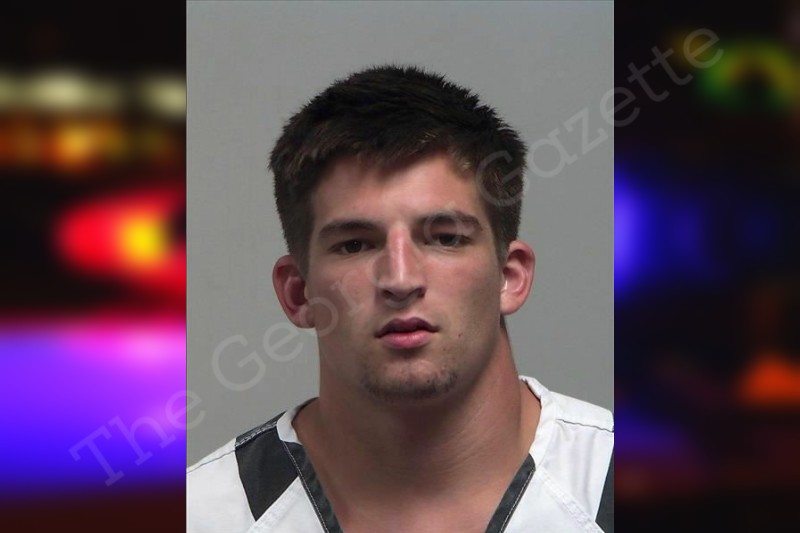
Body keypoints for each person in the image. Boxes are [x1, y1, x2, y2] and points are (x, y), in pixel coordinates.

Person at [187, 65, 613, 533]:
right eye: (354, 245)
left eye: (446, 238)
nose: (401, 279)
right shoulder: (202, 514)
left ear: (510, 277)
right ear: (297, 293)